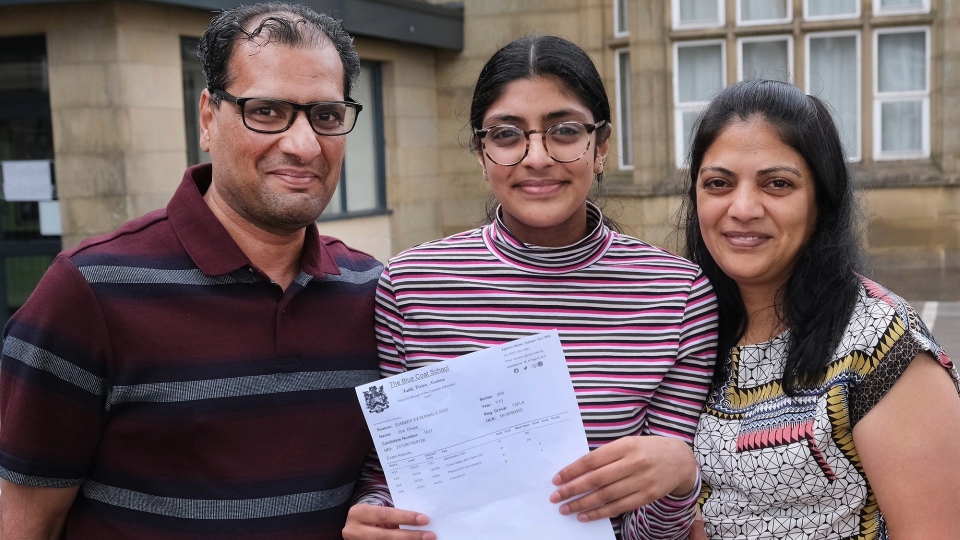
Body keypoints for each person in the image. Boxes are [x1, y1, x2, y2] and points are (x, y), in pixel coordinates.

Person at [0, 3, 383, 539]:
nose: (302, 145)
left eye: (326, 116)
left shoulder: (373, 293)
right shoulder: (89, 291)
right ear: (208, 118)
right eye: (266, 111)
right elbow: (22, 525)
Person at [343, 35, 719, 540]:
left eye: (564, 131)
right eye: (506, 135)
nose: (537, 157)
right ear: (481, 152)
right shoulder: (412, 284)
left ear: (601, 146)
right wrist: (375, 515)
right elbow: (390, 475)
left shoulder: (677, 295)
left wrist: (680, 475)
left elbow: (649, 533)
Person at [680, 79, 960, 539]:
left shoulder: (881, 343)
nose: (743, 207)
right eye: (718, 183)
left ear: (821, 201)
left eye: (777, 184)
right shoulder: (688, 324)